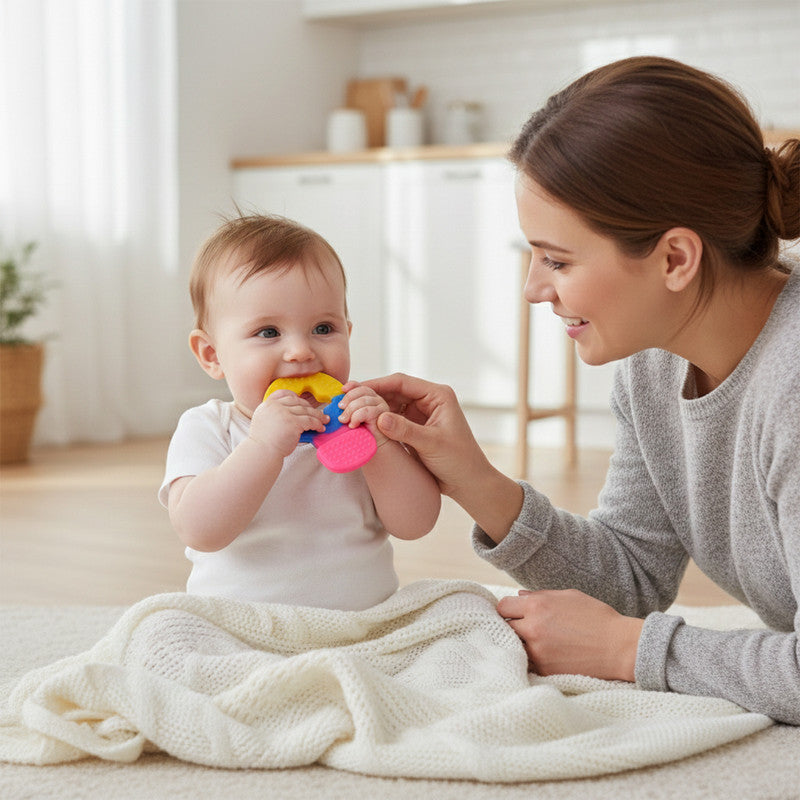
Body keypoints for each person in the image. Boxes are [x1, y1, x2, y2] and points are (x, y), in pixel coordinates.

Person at [358, 56, 800, 723]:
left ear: (675, 259)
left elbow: (627, 628)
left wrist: (627, 652)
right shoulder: (654, 365)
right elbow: (630, 579)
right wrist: (475, 480)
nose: (534, 289)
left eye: (556, 259)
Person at [159, 214, 440, 611]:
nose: (301, 351)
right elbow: (199, 530)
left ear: (347, 331)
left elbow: (417, 523)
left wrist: (379, 443)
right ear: (212, 354)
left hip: (361, 628)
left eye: (323, 328)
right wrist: (263, 445)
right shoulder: (210, 427)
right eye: (269, 332)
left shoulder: (360, 421)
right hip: (242, 628)